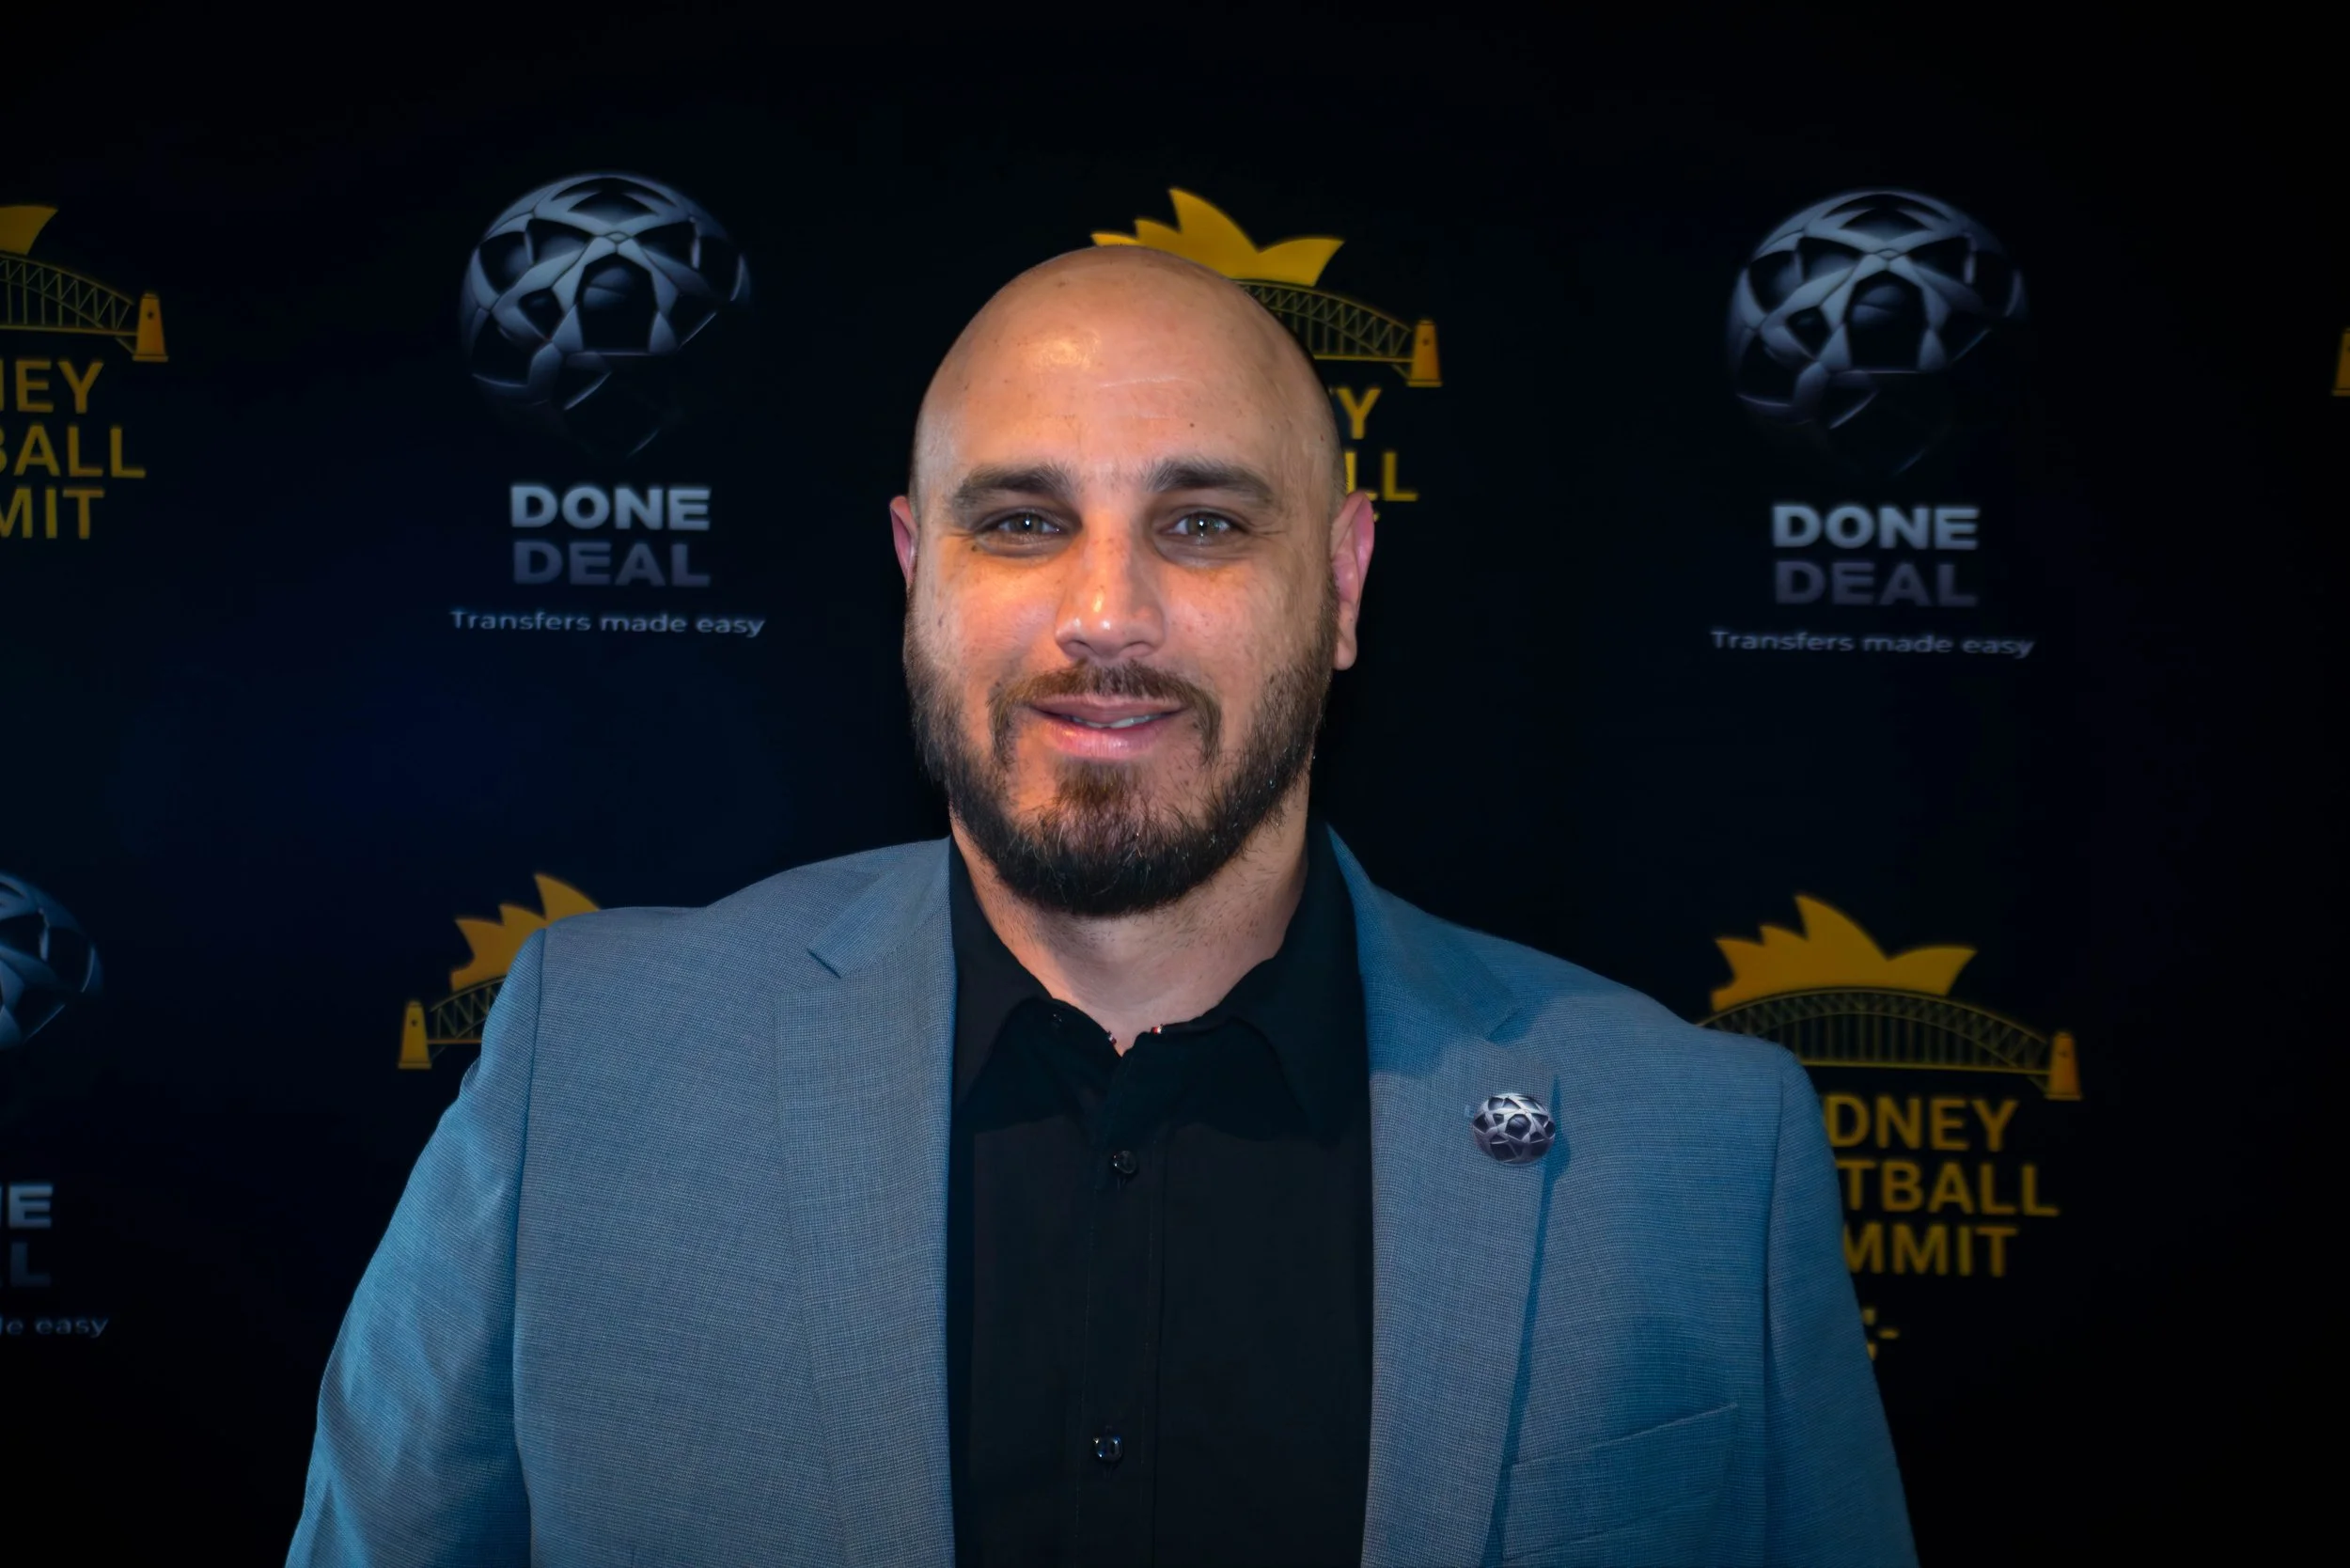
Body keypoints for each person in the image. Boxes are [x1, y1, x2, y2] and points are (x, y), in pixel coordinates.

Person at [289, 245, 1914, 1567]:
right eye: (1022, 523)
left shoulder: (1701, 1146)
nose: (1107, 614)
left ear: (1342, 585)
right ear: (916, 573)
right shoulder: (591, 1071)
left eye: (1202, 523)